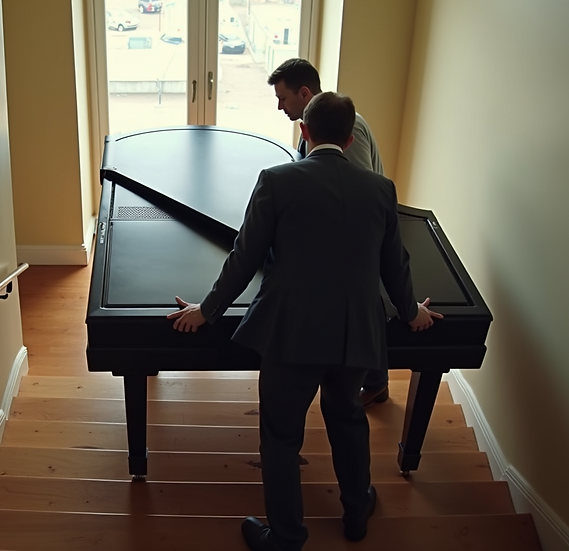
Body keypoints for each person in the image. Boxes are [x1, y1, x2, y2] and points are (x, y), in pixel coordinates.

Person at [167, 92, 442, 549]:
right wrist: (414, 313)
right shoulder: (381, 189)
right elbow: (395, 265)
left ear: (305, 132)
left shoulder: (276, 180)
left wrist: (207, 310)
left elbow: (244, 258)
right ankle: (356, 513)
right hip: (355, 332)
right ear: (350, 138)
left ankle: (287, 537)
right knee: (348, 418)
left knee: (281, 436)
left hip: (291, 333)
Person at [267, 57, 390, 407]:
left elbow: (358, 192)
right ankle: (371, 380)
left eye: (283, 98)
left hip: (353, 246)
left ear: (305, 93)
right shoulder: (319, 126)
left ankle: (375, 381)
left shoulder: (349, 130)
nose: (280, 107)